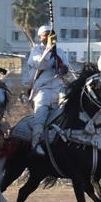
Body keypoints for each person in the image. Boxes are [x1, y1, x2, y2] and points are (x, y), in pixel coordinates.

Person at [21, 25, 70, 155]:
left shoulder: (60, 51)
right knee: (40, 114)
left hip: (59, 88)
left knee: (67, 111)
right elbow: (40, 64)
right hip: (42, 89)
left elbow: (66, 70)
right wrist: (48, 49)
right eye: (46, 34)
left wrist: (63, 69)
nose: (49, 37)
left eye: (51, 34)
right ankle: (36, 143)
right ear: (40, 37)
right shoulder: (36, 50)